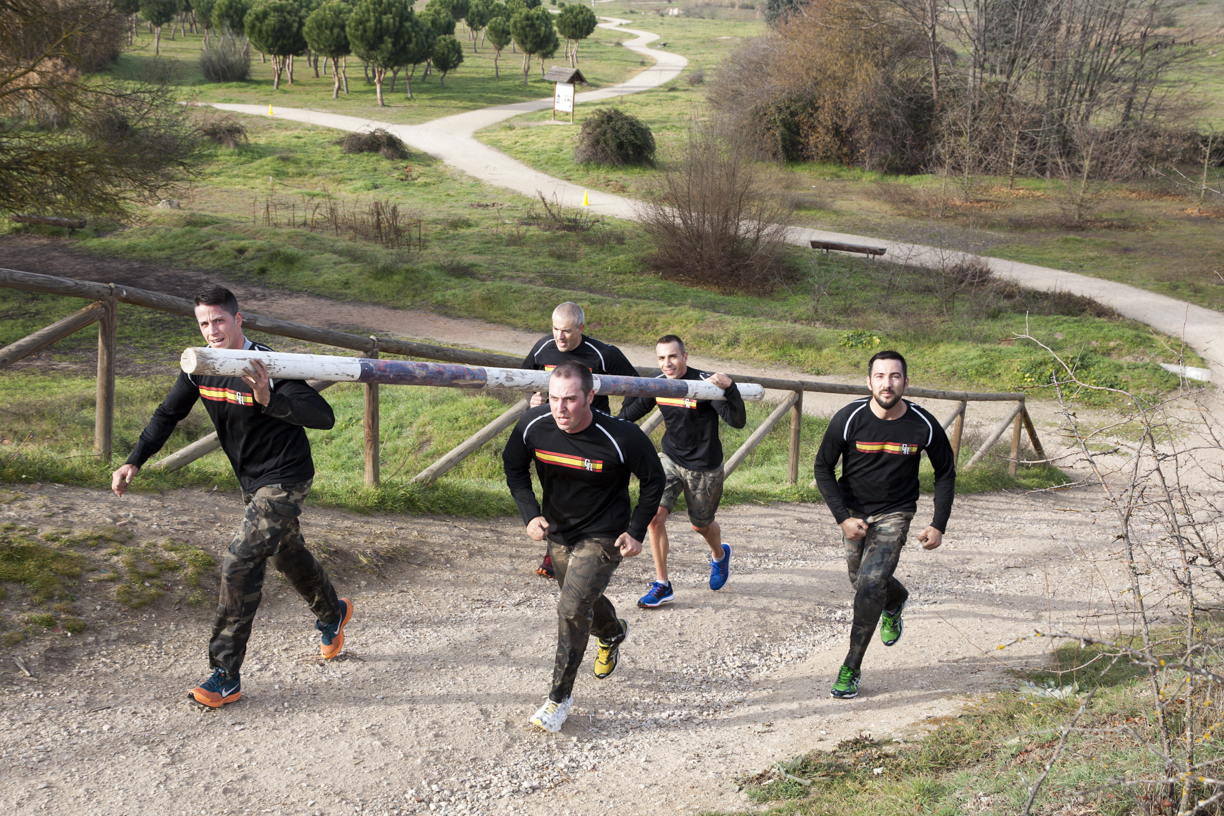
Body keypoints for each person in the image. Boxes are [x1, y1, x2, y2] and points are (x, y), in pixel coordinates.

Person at [111, 285, 352, 709]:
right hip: (251, 481)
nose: (211, 330)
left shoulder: (269, 364)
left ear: (238, 320)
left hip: (286, 477)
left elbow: (324, 417)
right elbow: (168, 414)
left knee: (241, 559)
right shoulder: (201, 365)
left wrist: (268, 398)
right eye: (203, 323)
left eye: (219, 320)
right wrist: (135, 460)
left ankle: (225, 675)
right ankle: (332, 612)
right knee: (284, 551)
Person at [503, 362, 665, 733]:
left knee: (572, 607)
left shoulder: (622, 436)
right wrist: (529, 514)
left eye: (571, 399)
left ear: (591, 396)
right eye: (555, 398)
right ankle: (611, 631)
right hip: (559, 530)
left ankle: (559, 699)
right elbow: (513, 466)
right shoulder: (533, 424)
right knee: (580, 601)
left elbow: (654, 480)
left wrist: (636, 530)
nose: (560, 408)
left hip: (605, 533)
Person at [813, 350, 955, 700]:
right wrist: (843, 518)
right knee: (859, 581)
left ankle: (851, 667)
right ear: (869, 381)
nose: (887, 383)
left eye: (894, 377)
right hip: (854, 513)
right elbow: (822, 468)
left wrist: (938, 524)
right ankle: (897, 599)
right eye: (880, 376)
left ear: (906, 382)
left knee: (870, 584)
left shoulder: (923, 424)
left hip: (896, 512)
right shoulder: (848, 419)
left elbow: (945, 473)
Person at [619, 335, 746, 607]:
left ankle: (719, 555)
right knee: (654, 518)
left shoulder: (703, 384)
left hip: (704, 466)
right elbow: (627, 415)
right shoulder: (659, 384)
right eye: (662, 358)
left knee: (700, 525)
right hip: (670, 459)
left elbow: (737, 421)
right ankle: (662, 584)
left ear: (685, 357)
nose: (668, 363)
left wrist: (730, 387)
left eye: (673, 356)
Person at [521, 301, 638, 579]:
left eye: (567, 331)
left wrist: (621, 422)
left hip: (592, 436)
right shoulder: (542, 347)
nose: (559, 337)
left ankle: (592, 550)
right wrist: (532, 399)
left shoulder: (603, 354)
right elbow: (525, 378)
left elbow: (638, 386)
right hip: (552, 432)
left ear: (582, 329)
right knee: (555, 489)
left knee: (588, 493)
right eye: (555, 330)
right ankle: (556, 550)